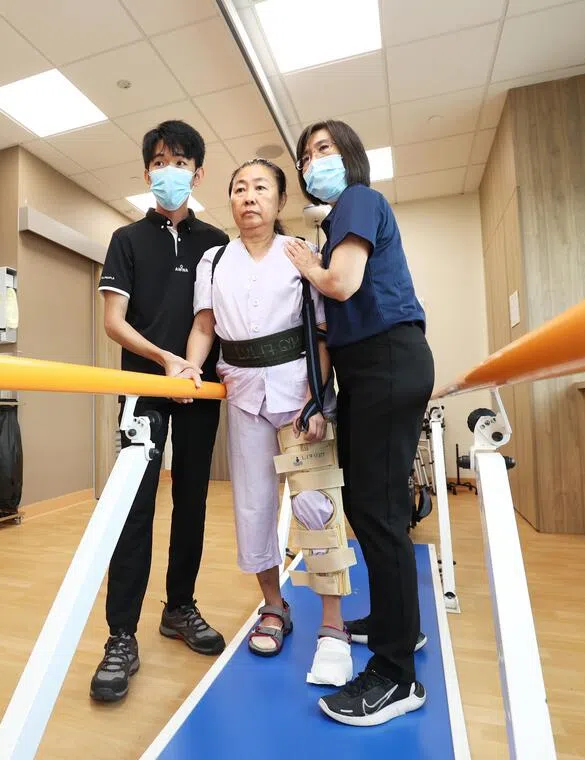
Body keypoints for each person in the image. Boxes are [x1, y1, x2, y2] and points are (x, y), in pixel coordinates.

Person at [178, 158, 356, 687]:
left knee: (316, 503)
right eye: (239, 188)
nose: (249, 196)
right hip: (243, 395)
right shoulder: (214, 260)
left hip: (299, 395)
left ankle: (332, 624)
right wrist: (190, 366)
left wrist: (319, 400)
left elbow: (320, 333)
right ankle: (274, 606)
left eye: (260, 187)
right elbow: (205, 327)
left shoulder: (300, 252)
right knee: (253, 506)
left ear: (279, 200)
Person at [283, 119, 435, 726]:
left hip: (386, 362)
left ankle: (397, 677)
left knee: (379, 513)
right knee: (376, 510)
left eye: (323, 149)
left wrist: (305, 263)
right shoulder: (343, 220)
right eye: (305, 155)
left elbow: (342, 285)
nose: (312, 161)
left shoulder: (358, 200)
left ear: (349, 156)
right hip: (372, 368)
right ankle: (400, 627)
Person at [91, 120, 229, 703]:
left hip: (200, 387)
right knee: (134, 506)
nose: (168, 171)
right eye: (159, 162)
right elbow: (113, 322)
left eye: (180, 162)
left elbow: (216, 317)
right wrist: (165, 360)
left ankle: (179, 608)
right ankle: (121, 635)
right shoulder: (126, 239)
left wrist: (191, 368)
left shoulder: (216, 242)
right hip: (142, 387)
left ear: (198, 173)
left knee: (192, 500)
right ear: (147, 171)